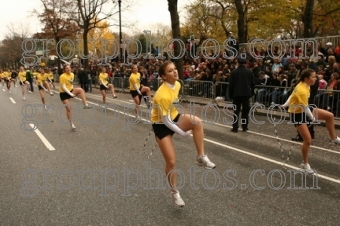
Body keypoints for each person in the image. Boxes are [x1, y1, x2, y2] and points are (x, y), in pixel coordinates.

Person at [151, 61, 216, 207]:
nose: (174, 72)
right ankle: (174, 192)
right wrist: (182, 133)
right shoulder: (161, 95)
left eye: (174, 69)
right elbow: (166, 121)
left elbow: (173, 107)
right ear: (163, 76)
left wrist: (179, 118)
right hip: (162, 124)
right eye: (170, 71)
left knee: (197, 122)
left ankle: (201, 157)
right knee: (171, 162)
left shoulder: (178, 84)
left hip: (173, 116)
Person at [280, 68, 340, 173]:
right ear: (306, 78)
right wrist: (312, 119)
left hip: (304, 109)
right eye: (313, 77)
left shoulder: (305, 85)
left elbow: (292, 96)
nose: (315, 78)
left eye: (315, 76)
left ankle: (333, 138)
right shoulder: (302, 89)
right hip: (297, 114)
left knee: (329, 116)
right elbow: (305, 108)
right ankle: (304, 163)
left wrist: (284, 105)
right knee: (308, 140)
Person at [59, 64, 92, 130]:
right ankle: (71, 124)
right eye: (67, 68)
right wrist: (70, 94)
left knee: (81, 90)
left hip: (71, 90)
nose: (69, 69)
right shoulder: (62, 76)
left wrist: (73, 92)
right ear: (64, 70)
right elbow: (64, 87)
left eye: (69, 68)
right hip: (64, 93)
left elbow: (70, 84)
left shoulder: (72, 74)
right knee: (68, 109)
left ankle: (85, 104)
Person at [228, 57, 255, 132]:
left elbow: (231, 85)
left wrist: (230, 95)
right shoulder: (250, 72)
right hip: (246, 94)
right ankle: (244, 127)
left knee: (236, 111)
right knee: (245, 112)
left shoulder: (234, 72)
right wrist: (251, 93)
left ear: (238, 62)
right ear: (245, 63)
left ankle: (235, 127)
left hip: (236, 94)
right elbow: (253, 84)